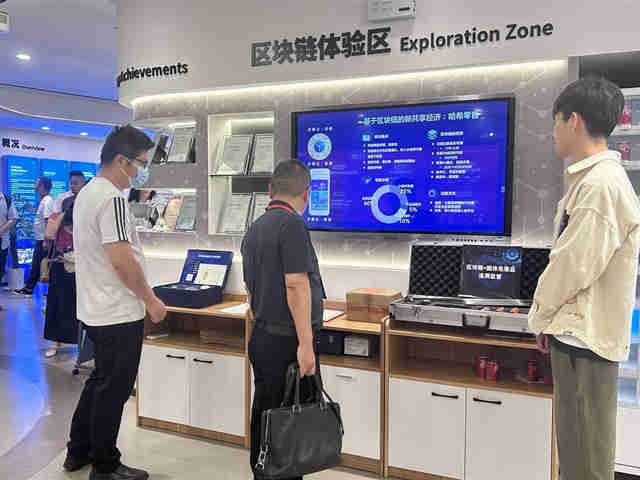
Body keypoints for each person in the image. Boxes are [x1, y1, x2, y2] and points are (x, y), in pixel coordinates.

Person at [529, 77, 640, 480]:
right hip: (575, 334)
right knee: (575, 453)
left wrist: (539, 316)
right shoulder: (592, 180)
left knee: (587, 461)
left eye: (556, 122)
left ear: (573, 120)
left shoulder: (600, 185)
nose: (554, 132)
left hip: (586, 341)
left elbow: (573, 264)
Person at [64, 125, 167, 480]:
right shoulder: (112, 199)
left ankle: (78, 450)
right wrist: (151, 300)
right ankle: (105, 465)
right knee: (114, 389)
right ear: (121, 161)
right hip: (118, 312)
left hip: (95, 309)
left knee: (99, 382)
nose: (141, 171)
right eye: (140, 163)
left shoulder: (87, 193)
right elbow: (122, 260)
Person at [242, 159, 326, 480]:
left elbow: (251, 288)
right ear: (306, 194)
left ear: (270, 190)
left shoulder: (255, 227)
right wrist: (305, 344)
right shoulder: (292, 225)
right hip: (287, 343)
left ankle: (263, 472)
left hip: (263, 338)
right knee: (289, 422)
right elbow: (296, 284)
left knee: (266, 415)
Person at [43, 194, 80, 358]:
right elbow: (49, 235)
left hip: (80, 267)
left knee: (76, 306)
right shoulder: (57, 218)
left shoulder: (84, 221)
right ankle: (54, 342)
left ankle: (81, 343)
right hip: (60, 266)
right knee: (57, 304)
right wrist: (62, 215)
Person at [15, 177, 54, 296]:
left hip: (43, 239)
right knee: (37, 264)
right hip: (41, 238)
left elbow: (48, 221)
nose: (35, 186)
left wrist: (46, 240)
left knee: (42, 264)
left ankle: (31, 288)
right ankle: (30, 288)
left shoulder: (47, 201)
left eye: (37, 184)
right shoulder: (43, 200)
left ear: (42, 186)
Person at [0, 192, 18, 303]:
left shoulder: (7, 200)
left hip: (2, 241)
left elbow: (14, 218)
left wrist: (1, 230)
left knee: (0, 270)